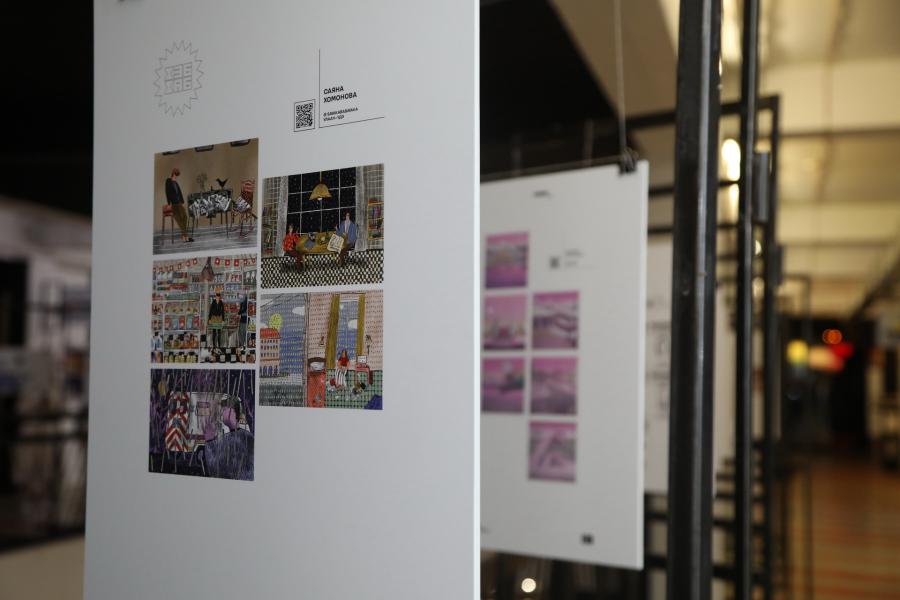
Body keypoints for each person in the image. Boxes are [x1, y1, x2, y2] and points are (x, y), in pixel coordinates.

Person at [165, 168, 193, 243]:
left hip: (179, 202)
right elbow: (167, 192)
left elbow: (179, 193)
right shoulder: (168, 181)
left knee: (184, 217)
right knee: (179, 219)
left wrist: (182, 202)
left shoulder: (175, 182)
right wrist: (169, 203)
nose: (176, 177)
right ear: (173, 174)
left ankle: (184, 236)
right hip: (174, 204)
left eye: (177, 176)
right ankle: (186, 237)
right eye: (175, 175)